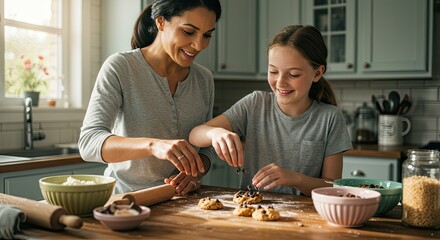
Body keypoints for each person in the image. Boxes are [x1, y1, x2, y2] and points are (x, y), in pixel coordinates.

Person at [189, 25, 352, 196]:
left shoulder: (330, 118)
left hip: (306, 217)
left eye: (294, 74)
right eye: (273, 71)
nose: (280, 82)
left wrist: (296, 179)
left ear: (317, 73)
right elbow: (196, 134)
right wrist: (215, 134)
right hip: (253, 210)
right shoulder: (255, 104)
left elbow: (333, 186)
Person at [78, 0, 221, 195]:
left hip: (181, 202)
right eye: (188, 32)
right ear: (161, 22)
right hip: (125, 202)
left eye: (207, 35)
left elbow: (206, 149)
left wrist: (195, 171)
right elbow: (89, 143)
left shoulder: (204, 79)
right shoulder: (121, 67)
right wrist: (153, 145)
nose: (198, 45)